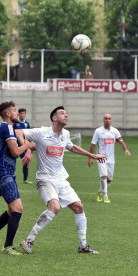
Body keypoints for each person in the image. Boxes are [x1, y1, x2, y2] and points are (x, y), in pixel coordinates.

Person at [18, 106, 107, 254]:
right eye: (62, 113)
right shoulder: (42, 132)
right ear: (54, 118)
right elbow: (19, 132)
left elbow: (72, 147)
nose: (66, 115)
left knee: (79, 207)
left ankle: (83, 246)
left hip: (61, 179)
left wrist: (92, 155)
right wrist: (26, 149)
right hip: (45, 179)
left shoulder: (65, 134)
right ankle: (29, 240)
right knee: (55, 207)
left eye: (66, 113)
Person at [0, 101, 33, 255]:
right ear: (8, 114)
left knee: (11, 210)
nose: (18, 113)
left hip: (6, 173)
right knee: (18, 209)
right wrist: (27, 145)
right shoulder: (7, 128)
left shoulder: (6, 128)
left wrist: (29, 147)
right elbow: (16, 152)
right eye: (15, 111)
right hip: (3, 173)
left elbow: (15, 149)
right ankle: (8, 247)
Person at [87, 114, 131, 203]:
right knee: (104, 176)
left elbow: (121, 141)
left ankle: (100, 192)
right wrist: (90, 158)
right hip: (101, 157)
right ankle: (105, 196)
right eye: (106, 118)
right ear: (103, 120)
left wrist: (126, 149)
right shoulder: (98, 131)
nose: (107, 120)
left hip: (111, 159)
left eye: (109, 119)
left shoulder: (115, 131)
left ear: (111, 120)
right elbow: (93, 144)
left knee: (109, 179)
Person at [14, 108, 32, 184]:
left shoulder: (27, 124)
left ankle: (25, 179)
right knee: (12, 161)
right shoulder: (16, 123)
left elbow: (29, 135)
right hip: (16, 146)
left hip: (24, 146)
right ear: (18, 114)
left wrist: (29, 147)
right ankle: (10, 176)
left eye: (23, 113)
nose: (22, 115)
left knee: (26, 161)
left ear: (25, 114)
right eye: (21, 113)